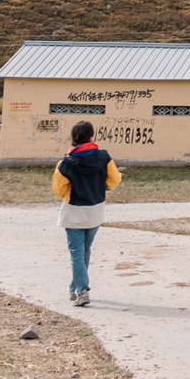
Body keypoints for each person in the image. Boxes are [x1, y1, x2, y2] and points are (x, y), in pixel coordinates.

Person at [52, 120, 121, 307]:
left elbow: (59, 189)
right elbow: (115, 180)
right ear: (92, 136)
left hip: (73, 211)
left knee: (76, 253)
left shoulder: (66, 163)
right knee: (85, 251)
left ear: (74, 138)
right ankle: (73, 287)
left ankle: (82, 291)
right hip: (95, 210)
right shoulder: (103, 157)